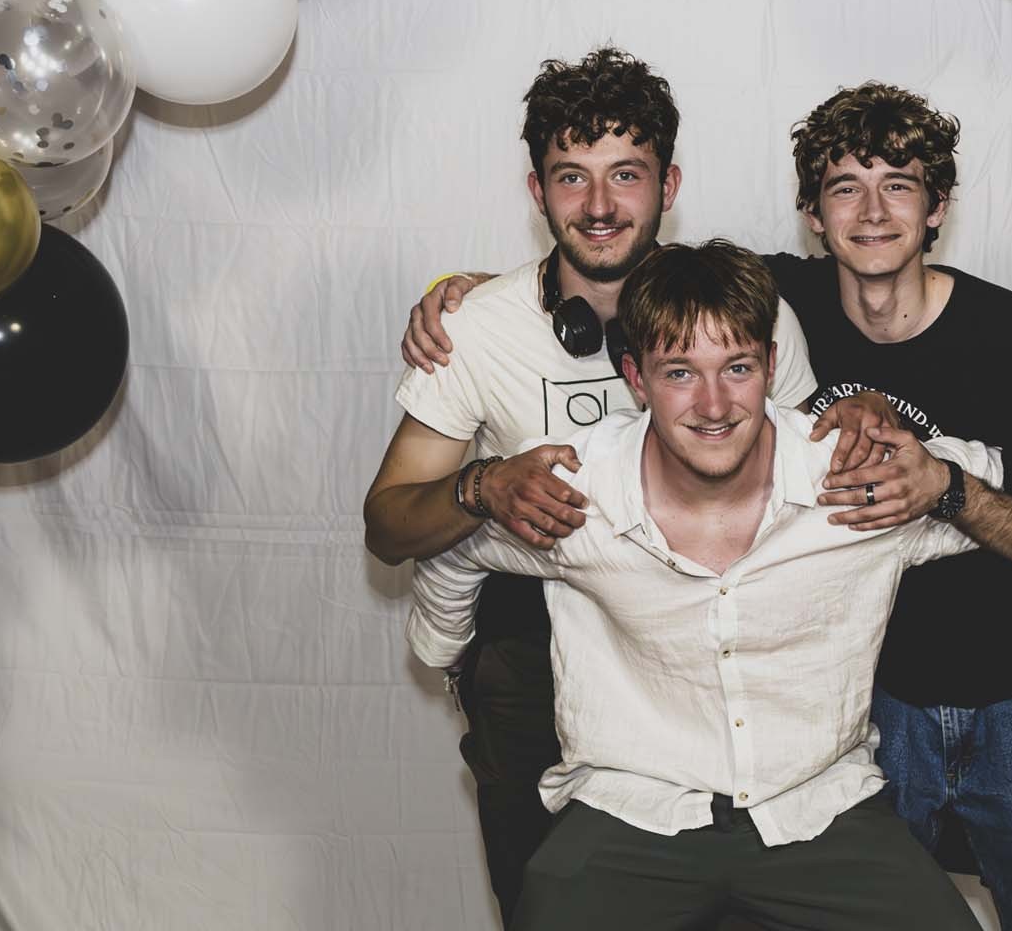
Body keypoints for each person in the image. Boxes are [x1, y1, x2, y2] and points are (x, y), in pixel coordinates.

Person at [362, 47, 893, 923]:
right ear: (537, 192)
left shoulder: (746, 313)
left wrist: (864, 414)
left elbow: (804, 478)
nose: (600, 206)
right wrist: (481, 485)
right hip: (534, 655)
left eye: (627, 175)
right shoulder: (478, 327)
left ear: (668, 184)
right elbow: (387, 525)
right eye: (572, 177)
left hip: (709, 658)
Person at [407, 242, 998, 931]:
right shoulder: (580, 494)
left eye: (737, 368)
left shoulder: (849, 479)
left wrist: (945, 483)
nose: (714, 405)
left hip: (818, 808)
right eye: (681, 373)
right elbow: (454, 548)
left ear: (771, 366)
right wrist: (446, 650)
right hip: (633, 812)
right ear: (636, 377)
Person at [774, 82, 1012, 929]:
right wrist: (477, 292)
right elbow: (635, 284)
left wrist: (946, 489)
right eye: (846, 187)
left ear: (937, 209)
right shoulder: (776, 307)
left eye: (899, 184)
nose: (872, 211)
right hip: (864, 706)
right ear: (813, 213)